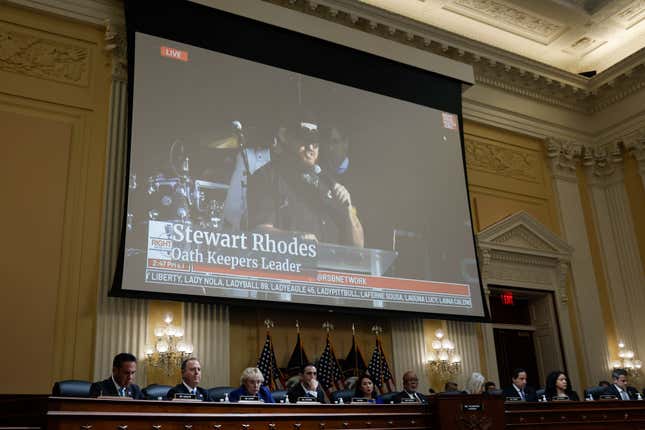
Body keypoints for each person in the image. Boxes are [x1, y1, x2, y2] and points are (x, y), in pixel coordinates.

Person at [247, 120, 364, 247]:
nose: (311, 147)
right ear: (287, 138)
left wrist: (347, 211)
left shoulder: (330, 182)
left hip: (332, 265)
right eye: (304, 141)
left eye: (315, 143)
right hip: (291, 264)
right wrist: (295, 239)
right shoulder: (268, 176)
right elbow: (258, 233)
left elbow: (358, 246)